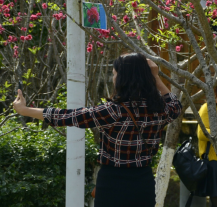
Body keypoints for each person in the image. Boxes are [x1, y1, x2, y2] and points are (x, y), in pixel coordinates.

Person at [12, 53, 182, 207]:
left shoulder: (112, 110)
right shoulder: (159, 109)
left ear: (123, 79)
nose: (113, 78)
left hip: (112, 184)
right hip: (143, 183)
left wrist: (24, 110)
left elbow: (67, 116)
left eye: (115, 74)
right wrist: (156, 78)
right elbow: (175, 105)